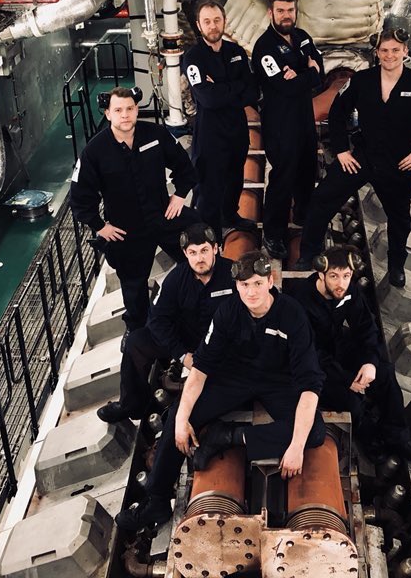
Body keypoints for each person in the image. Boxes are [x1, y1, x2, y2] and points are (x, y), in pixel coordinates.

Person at [116, 251, 326, 531]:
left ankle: (227, 436)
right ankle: (156, 500)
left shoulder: (291, 314)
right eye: (244, 285)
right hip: (234, 376)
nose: (251, 292)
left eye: (257, 283)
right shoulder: (228, 311)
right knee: (180, 414)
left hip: (278, 380)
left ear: (270, 280)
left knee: (313, 433)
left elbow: (310, 386)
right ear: (237, 286)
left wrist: (296, 447)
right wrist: (181, 421)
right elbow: (200, 369)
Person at [294, 29, 411, 287]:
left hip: (399, 163)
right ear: (377, 53)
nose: (389, 55)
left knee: (400, 219)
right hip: (362, 157)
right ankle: (308, 253)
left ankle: (396, 266)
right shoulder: (362, 81)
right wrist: (342, 150)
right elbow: (337, 112)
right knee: (323, 198)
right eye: (384, 51)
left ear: (405, 52)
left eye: (394, 50)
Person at [69, 87, 200, 334]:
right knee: (133, 285)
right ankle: (138, 331)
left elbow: (184, 166)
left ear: (137, 110)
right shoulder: (94, 152)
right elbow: (80, 197)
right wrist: (100, 226)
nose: (125, 115)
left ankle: (194, 309)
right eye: (118, 110)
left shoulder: (155, 134)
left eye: (130, 109)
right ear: (108, 114)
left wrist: (180, 195)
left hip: (163, 215)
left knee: (196, 249)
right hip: (127, 229)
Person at [290, 246, 411, 464]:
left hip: (337, 346)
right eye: (334, 276)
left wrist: (370, 362)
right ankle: (369, 438)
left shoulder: (349, 291)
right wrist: (347, 380)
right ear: (320, 274)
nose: (341, 283)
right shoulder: (300, 301)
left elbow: (366, 327)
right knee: (351, 402)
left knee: (385, 372)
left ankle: (397, 435)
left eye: (346, 276)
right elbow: (310, 351)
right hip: (311, 363)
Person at [97, 223, 235, 423]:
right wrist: (181, 354)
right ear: (185, 254)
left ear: (215, 249)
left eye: (204, 250)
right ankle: (132, 405)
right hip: (187, 339)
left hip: (223, 343)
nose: (200, 258)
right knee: (136, 342)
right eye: (193, 253)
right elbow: (157, 320)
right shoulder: (176, 279)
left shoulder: (233, 274)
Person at [251, 0, 324, 259]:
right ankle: (273, 233)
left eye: (290, 10)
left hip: (304, 117)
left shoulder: (302, 37)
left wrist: (305, 75)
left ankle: (302, 214)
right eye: (281, 10)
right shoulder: (264, 48)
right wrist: (309, 72)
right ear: (270, 13)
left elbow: (322, 73)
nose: (286, 15)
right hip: (280, 123)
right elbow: (285, 86)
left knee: (307, 169)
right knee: (283, 177)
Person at [181, 0, 258, 235]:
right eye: (207, 22)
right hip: (210, 135)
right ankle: (210, 234)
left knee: (235, 179)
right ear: (199, 25)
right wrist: (235, 87)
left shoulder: (236, 52)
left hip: (236, 130)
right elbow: (208, 100)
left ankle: (230, 215)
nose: (213, 26)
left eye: (217, 20)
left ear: (224, 21)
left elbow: (252, 92)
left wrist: (221, 86)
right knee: (209, 189)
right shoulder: (193, 58)